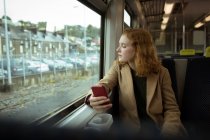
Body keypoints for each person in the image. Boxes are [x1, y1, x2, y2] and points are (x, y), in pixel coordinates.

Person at [85, 28, 187, 138]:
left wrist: (167, 134)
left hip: (156, 130)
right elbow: (105, 83)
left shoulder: (162, 73)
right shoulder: (118, 67)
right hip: (128, 131)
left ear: (139, 49)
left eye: (123, 46)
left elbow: (171, 109)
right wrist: (92, 96)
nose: (117, 49)